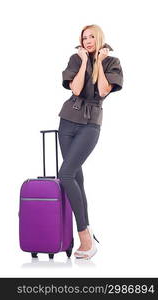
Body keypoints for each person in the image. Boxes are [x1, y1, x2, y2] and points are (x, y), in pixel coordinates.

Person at [57, 24, 123, 259]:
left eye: (91, 36)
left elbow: (104, 90)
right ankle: (87, 234)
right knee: (75, 177)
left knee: (64, 174)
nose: (87, 40)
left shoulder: (111, 62)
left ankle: (84, 234)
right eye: (84, 37)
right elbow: (75, 89)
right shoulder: (76, 58)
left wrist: (98, 63)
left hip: (90, 124)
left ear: (100, 38)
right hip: (67, 121)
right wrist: (85, 61)